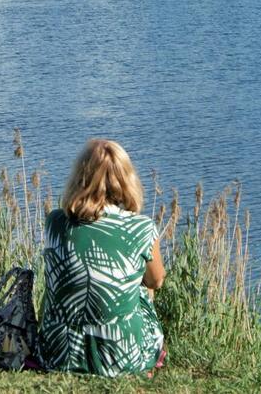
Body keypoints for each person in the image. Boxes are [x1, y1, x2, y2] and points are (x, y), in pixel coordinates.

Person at [39, 138, 166, 376]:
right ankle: (129, 345)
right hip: (121, 360)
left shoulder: (54, 222)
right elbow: (156, 281)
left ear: (80, 177)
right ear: (127, 178)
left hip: (57, 354)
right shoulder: (141, 228)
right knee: (143, 284)